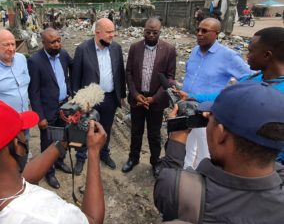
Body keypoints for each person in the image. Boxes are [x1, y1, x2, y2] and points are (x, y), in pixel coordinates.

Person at [154, 82, 284, 224]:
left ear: (222, 134)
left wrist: (177, 137)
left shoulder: (180, 191)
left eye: (211, 120)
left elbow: (166, 178)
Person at [180, 27, 284, 164]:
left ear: (267, 55)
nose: (247, 55)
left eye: (251, 51)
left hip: (266, 167)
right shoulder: (252, 79)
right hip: (238, 160)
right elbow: (227, 95)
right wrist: (195, 97)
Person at [182, 18, 252, 168]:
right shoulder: (195, 51)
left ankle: (201, 181)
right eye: (198, 30)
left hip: (207, 112)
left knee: (205, 150)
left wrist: (221, 97)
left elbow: (249, 79)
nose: (199, 34)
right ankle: (187, 171)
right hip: (188, 107)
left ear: (217, 34)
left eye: (205, 31)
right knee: (189, 143)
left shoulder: (228, 56)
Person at [72, 18, 126, 174]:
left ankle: (104, 153)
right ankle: (81, 158)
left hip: (109, 98)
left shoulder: (116, 48)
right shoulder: (83, 49)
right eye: (109, 32)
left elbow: (120, 74)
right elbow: (75, 77)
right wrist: (77, 101)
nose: (112, 35)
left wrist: (121, 95)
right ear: (97, 32)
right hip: (89, 101)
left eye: (113, 31)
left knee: (106, 129)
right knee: (84, 129)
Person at [123, 18, 176, 175]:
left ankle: (155, 161)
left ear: (160, 31)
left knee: (154, 134)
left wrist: (154, 98)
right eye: (148, 32)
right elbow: (129, 73)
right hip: (137, 99)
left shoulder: (169, 50)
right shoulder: (134, 48)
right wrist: (135, 94)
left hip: (156, 101)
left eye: (155, 32)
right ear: (143, 30)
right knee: (136, 131)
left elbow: (170, 77)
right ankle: (133, 158)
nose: (151, 35)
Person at [28, 28, 73, 189]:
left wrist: (70, 88)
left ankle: (60, 162)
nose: (56, 44)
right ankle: (49, 172)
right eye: (52, 42)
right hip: (47, 110)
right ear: (44, 43)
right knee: (48, 142)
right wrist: (40, 117)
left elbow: (73, 70)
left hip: (64, 107)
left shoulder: (64, 55)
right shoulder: (35, 61)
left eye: (59, 40)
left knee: (63, 138)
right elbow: (33, 92)